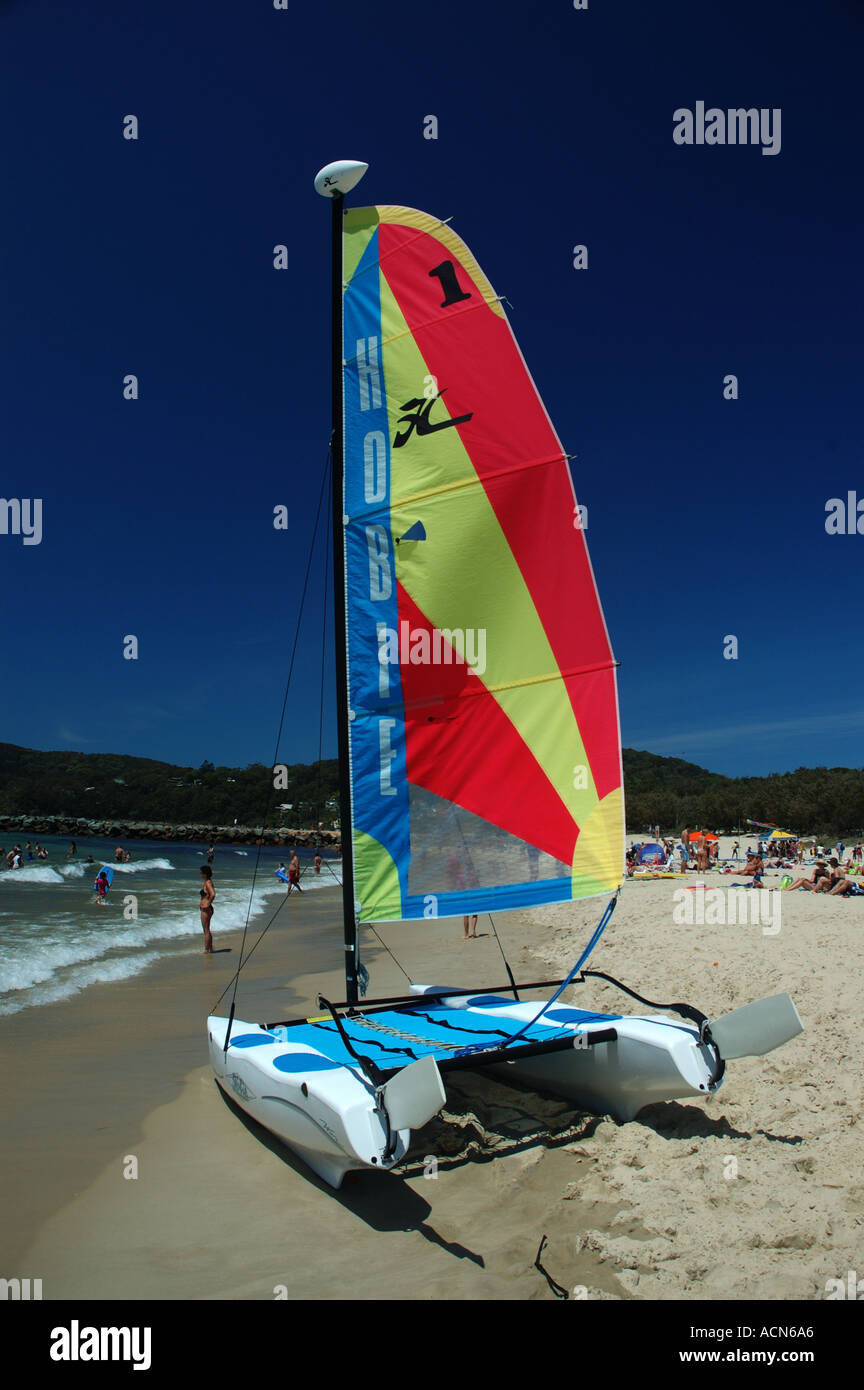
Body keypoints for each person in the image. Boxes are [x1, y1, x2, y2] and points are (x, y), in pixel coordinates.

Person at [199, 865, 216, 952]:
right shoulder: (207, 881)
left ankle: (206, 950)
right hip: (207, 908)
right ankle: (211, 948)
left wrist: (207, 903)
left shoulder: (208, 883)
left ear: (205, 874)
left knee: (206, 930)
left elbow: (213, 894)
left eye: (201, 873)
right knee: (207, 929)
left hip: (206, 909)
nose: (200, 874)